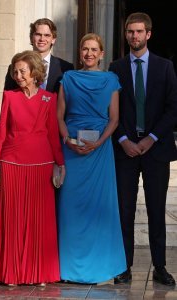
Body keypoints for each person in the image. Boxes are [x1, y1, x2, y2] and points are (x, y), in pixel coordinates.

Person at [109, 12, 177, 286]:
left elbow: (173, 109)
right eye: (130, 32)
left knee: (156, 209)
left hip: (155, 150)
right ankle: (124, 266)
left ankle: (159, 266)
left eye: (139, 32)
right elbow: (111, 109)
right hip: (125, 151)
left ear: (148, 34)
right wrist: (124, 139)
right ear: (125, 35)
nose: (134, 36)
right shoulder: (116, 67)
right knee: (124, 210)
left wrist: (151, 138)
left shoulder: (164, 67)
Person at [0, 50, 65, 285]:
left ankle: (40, 272)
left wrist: (60, 164)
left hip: (41, 165)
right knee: (12, 221)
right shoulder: (10, 96)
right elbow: (1, 134)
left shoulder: (49, 98)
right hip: (12, 164)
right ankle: (10, 272)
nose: (18, 75)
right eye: (16, 71)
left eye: (23, 71)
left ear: (35, 73)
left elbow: (53, 134)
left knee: (39, 222)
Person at [57, 33, 126, 284]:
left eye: (94, 49)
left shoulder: (111, 80)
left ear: (102, 53)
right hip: (72, 150)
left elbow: (114, 118)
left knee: (100, 209)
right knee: (70, 209)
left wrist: (99, 142)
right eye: (85, 49)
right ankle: (68, 268)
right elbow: (59, 116)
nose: (89, 53)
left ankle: (101, 267)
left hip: (100, 151)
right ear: (79, 52)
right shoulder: (69, 78)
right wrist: (67, 140)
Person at [4, 18, 74, 93]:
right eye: (38, 34)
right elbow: (8, 97)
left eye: (47, 35)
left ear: (53, 39)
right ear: (31, 38)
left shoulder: (66, 68)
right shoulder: (15, 67)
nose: (42, 39)